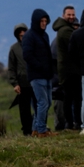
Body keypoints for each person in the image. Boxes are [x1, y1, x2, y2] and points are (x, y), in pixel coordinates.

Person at [22, 8, 57, 137]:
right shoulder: (29, 36)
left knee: (47, 102)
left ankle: (36, 129)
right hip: (37, 75)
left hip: (47, 75)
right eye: (41, 21)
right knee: (42, 102)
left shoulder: (44, 35)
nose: (43, 23)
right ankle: (42, 130)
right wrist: (39, 66)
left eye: (45, 21)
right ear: (36, 21)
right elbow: (27, 55)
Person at [52, 6, 81, 130]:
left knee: (68, 97)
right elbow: (76, 46)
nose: (71, 17)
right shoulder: (65, 31)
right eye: (69, 14)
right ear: (63, 15)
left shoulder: (64, 29)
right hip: (70, 70)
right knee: (74, 98)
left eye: (73, 14)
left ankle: (70, 123)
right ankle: (74, 123)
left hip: (67, 69)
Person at [7, 23, 37, 136]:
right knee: (24, 109)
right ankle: (27, 131)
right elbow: (11, 68)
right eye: (20, 34)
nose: (22, 35)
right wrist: (14, 83)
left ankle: (39, 128)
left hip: (35, 81)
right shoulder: (14, 49)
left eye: (24, 32)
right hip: (22, 83)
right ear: (17, 35)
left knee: (39, 106)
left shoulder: (33, 45)